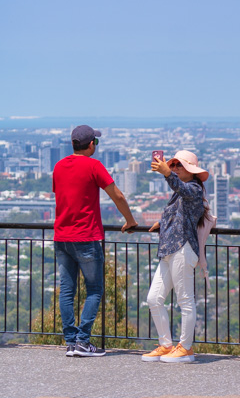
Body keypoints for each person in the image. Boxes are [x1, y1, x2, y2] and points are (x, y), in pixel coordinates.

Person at [52, 125, 138, 357]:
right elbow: (117, 195)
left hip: (61, 237)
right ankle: (82, 341)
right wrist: (130, 220)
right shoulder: (94, 166)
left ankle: (71, 342)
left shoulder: (59, 166)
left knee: (67, 291)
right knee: (94, 289)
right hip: (86, 236)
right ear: (91, 144)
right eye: (95, 143)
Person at [141, 151, 211, 364]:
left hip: (183, 248)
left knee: (185, 301)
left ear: (190, 169)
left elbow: (184, 191)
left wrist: (166, 174)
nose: (175, 168)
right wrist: (163, 223)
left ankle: (186, 348)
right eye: (173, 165)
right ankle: (166, 344)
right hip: (169, 249)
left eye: (179, 165)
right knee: (154, 298)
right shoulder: (180, 192)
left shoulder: (195, 189)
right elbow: (181, 212)